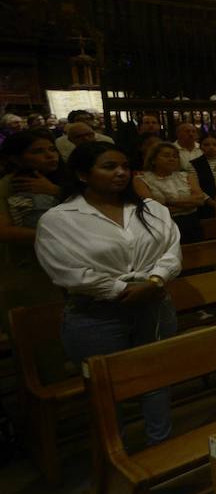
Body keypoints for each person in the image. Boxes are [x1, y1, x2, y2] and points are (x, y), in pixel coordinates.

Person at [35, 142, 181, 445]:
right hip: (96, 313)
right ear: (83, 174)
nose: (121, 173)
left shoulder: (150, 209)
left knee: (156, 380)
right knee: (107, 394)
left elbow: (171, 249)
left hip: (153, 303)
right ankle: (117, 458)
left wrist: (155, 282)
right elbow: (66, 269)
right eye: (109, 166)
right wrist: (121, 289)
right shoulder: (60, 219)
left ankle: (161, 447)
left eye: (125, 166)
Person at [0, 131, 65, 327]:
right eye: (37, 151)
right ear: (16, 158)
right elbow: (4, 232)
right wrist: (62, 237)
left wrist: (55, 191)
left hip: (68, 264)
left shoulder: (65, 180)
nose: (49, 155)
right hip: (27, 268)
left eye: (52, 149)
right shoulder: (6, 186)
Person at [134, 141, 210, 243]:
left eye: (175, 156)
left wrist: (167, 201)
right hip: (162, 224)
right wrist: (188, 204)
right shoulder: (141, 179)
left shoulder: (186, 176)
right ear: (153, 160)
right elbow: (152, 207)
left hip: (191, 222)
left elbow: (199, 200)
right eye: (166, 156)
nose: (172, 159)